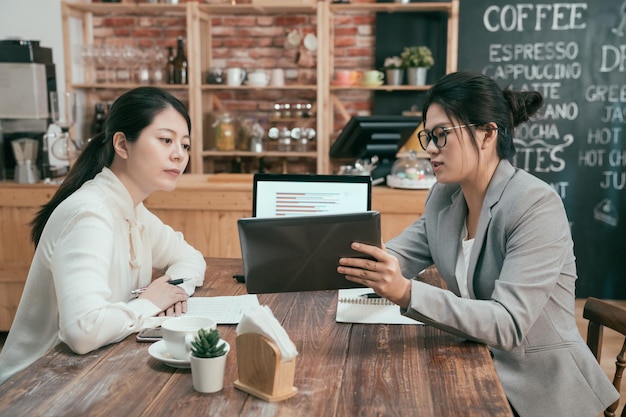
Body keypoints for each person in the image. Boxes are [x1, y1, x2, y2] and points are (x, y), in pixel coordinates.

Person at [337, 71, 619, 417]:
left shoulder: (534, 204)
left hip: (541, 394)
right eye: (428, 136)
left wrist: (407, 292)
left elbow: (508, 324)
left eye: (441, 135)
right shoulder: (445, 197)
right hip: (475, 366)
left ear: (487, 134)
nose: (429, 149)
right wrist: (336, 256)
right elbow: (395, 255)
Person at [0, 86, 206, 385]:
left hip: (91, 370)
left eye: (185, 145)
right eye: (165, 140)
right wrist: (149, 303)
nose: (179, 154)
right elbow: (82, 330)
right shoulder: (90, 214)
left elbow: (189, 257)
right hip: (33, 387)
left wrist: (174, 292)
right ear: (122, 144)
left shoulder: (133, 209)